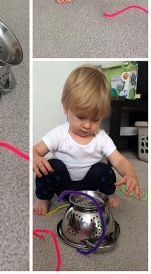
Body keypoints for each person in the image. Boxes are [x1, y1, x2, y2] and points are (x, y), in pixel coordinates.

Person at [33, 65, 143, 215]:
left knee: (104, 169)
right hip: (62, 187)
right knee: (51, 166)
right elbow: (35, 150)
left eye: (96, 119)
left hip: (90, 189)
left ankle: (109, 193)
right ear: (66, 107)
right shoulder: (59, 133)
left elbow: (119, 161)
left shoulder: (101, 137)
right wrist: (35, 157)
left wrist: (131, 174)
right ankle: (43, 198)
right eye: (81, 117)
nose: (87, 125)